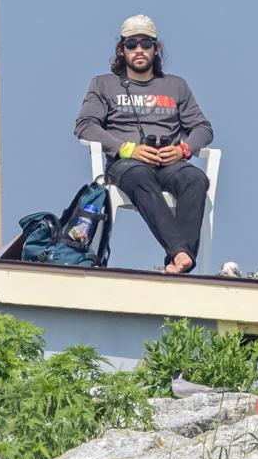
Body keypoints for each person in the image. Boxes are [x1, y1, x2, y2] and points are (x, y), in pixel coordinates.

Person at [73, 15, 214, 274]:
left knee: (195, 179)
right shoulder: (103, 84)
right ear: (121, 49)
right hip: (127, 164)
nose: (139, 49)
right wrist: (128, 149)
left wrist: (182, 150)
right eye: (131, 44)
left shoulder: (176, 85)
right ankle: (181, 254)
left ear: (156, 48)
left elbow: (203, 129)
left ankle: (176, 263)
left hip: (169, 162)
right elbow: (85, 126)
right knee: (140, 176)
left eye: (146, 43)